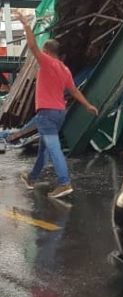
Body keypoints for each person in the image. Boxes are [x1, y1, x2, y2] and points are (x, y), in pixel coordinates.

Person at [15, 12, 98, 199]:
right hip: (60, 113)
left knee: (53, 147)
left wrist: (26, 24)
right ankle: (31, 178)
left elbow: (31, 45)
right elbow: (74, 91)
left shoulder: (46, 61)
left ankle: (64, 182)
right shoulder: (64, 68)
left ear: (46, 51)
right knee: (44, 149)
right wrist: (88, 105)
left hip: (47, 113)